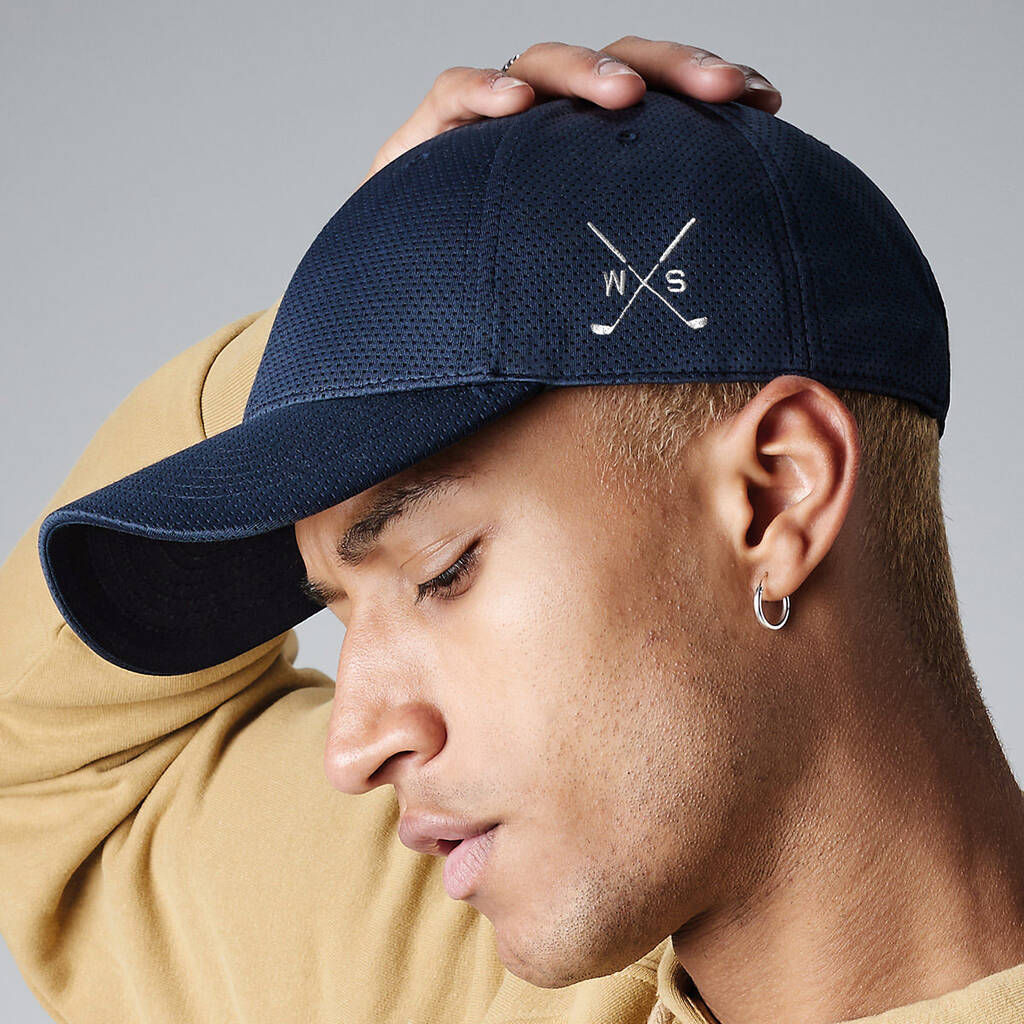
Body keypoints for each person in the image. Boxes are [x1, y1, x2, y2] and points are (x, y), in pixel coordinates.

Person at [2, 37, 1022, 1024]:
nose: (356, 746)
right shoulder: (461, 960)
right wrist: (374, 310)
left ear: (776, 496)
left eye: (442, 572)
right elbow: (60, 785)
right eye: (339, 612)